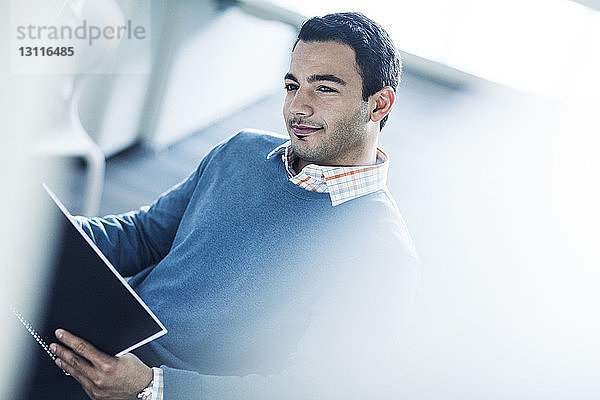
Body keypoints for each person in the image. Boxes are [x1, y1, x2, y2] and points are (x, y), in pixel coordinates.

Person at [44, 11, 419, 400]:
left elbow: (309, 389)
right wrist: (46, 234)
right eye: (293, 86)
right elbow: (144, 235)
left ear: (378, 104)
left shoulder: (382, 253)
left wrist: (150, 387)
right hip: (92, 344)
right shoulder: (241, 150)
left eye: (323, 89)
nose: (298, 108)